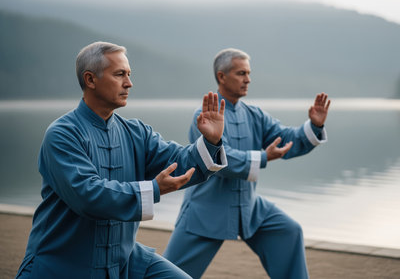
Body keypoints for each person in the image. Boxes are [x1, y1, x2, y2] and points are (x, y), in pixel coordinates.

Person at [16, 41, 228, 279]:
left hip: (125, 259)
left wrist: (210, 142)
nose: (129, 83)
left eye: (129, 74)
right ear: (90, 80)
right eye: (119, 74)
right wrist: (153, 189)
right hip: (63, 262)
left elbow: (179, 163)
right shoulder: (62, 134)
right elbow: (88, 196)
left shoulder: (137, 132)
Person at [164, 48, 330, 278]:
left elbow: (285, 139)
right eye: (241, 73)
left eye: (249, 73)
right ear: (222, 76)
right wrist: (263, 157)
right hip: (207, 211)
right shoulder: (203, 116)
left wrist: (314, 127)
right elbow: (221, 159)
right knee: (170, 273)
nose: (248, 79)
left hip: (249, 206)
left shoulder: (255, 114)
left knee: (289, 231)